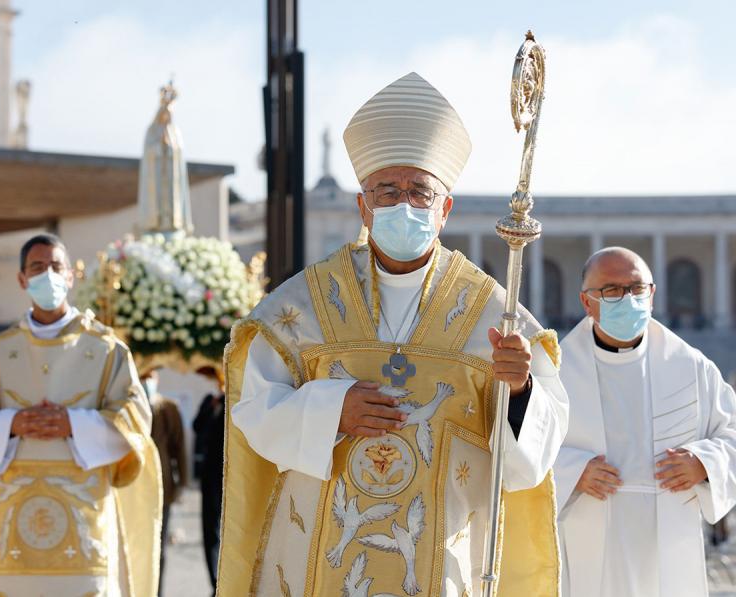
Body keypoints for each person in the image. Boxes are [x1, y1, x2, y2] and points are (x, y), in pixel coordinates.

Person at [219, 72, 569, 596]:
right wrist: (329, 410)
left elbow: (528, 462)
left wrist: (519, 391)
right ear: (364, 207)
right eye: (388, 191)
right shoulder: (304, 304)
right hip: (322, 556)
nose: (405, 204)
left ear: (444, 210)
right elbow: (254, 411)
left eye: (420, 192)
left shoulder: (491, 310)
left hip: (438, 557)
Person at [0, 233, 162, 597]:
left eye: (56, 266)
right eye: (37, 267)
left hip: (85, 520)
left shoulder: (106, 349)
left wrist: (74, 424)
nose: (47, 275)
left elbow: (135, 417)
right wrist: (10, 424)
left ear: (70, 276)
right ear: (21, 279)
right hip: (12, 522)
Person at [554, 247, 736, 597]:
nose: (626, 298)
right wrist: (573, 470)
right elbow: (522, 448)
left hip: (670, 536)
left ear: (651, 295)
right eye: (611, 290)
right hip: (587, 533)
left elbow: (731, 434)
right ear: (586, 301)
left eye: (636, 288)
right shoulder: (556, 371)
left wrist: (704, 463)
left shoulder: (691, 367)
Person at [142, 368, 187, 596]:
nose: (146, 381)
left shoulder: (168, 407)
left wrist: (182, 483)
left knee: (158, 545)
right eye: (142, 377)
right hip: (132, 486)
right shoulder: (127, 406)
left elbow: (179, 447)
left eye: (150, 377)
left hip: (163, 485)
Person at [192, 366, 225, 589]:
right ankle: (214, 583)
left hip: (227, 474)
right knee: (209, 528)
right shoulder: (209, 401)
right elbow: (197, 427)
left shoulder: (233, 401)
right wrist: (210, 407)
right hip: (209, 474)